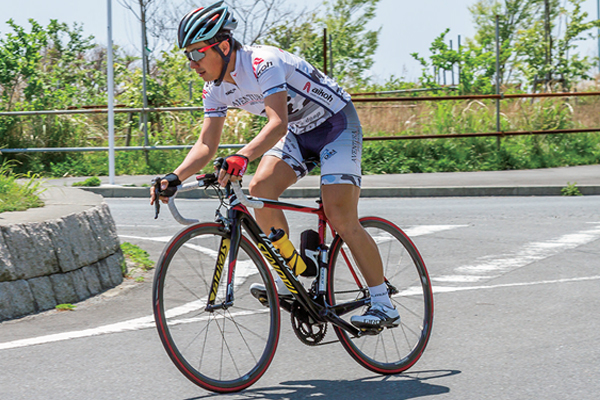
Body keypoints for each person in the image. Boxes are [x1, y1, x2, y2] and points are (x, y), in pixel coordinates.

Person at [150, 0, 399, 329]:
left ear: (223, 46)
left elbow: (277, 123)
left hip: (336, 125)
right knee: (260, 188)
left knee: (339, 214)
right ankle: (293, 271)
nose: (192, 63)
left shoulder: (263, 63)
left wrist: (242, 155)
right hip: (300, 131)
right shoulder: (214, 89)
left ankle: (382, 302)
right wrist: (175, 177)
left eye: (197, 53)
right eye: (187, 56)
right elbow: (207, 144)